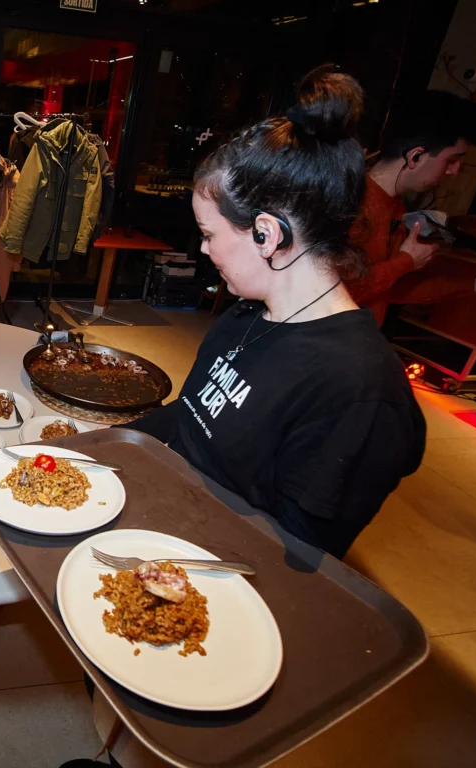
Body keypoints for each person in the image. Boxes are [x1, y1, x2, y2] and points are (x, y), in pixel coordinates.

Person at [124, 65, 426, 559]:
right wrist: (96, 449)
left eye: (208, 233)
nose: (203, 250)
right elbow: (189, 420)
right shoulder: (243, 317)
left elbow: (296, 560)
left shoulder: (358, 392)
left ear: (267, 233)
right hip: (157, 515)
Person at [348, 90, 476, 324]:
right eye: (452, 160)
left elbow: (390, 288)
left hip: (355, 343)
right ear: (415, 156)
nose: (455, 171)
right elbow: (331, 292)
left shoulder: (395, 208)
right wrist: (405, 261)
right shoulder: (350, 202)